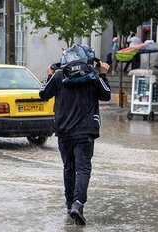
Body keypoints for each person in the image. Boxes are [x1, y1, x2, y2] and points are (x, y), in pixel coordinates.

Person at [39, 44, 111, 225]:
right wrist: (102, 73)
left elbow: (43, 94)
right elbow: (106, 95)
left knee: (68, 168)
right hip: (86, 131)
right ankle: (78, 204)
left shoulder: (58, 76)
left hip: (64, 131)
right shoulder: (92, 76)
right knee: (83, 168)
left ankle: (69, 203)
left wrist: (49, 75)